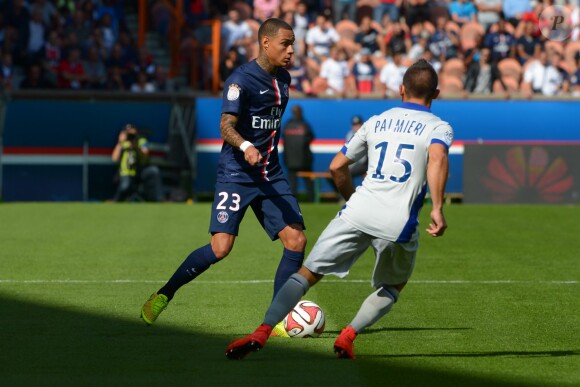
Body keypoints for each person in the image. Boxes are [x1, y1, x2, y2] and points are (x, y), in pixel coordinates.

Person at [225, 59, 454, 360]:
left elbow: (336, 167)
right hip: (397, 221)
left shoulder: (376, 121)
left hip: (357, 210)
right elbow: (436, 158)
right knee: (394, 284)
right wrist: (437, 207)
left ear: (401, 89)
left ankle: (262, 331)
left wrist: (352, 200)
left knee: (307, 273)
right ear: (435, 94)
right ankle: (349, 335)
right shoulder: (439, 127)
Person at [141, 19, 307, 337]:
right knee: (220, 248)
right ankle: (164, 293)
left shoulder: (284, 79)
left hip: (270, 174)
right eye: (285, 43)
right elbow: (225, 126)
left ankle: (275, 320)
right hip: (236, 173)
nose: (291, 50)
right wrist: (246, 146)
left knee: (296, 240)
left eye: (293, 43)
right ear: (266, 43)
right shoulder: (240, 80)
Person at [111, 124, 164, 202]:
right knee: (125, 186)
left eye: (133, 132)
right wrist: (120, 143)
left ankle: (159, 199)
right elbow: (114, 158)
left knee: (154, 171)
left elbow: (145, 154)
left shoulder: (141, 141)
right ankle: (116, 201)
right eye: (128, 133)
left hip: (140, 171)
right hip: (127, 172)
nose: (131, 135)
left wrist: (136, 147)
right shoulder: (123, 143)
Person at [282, 105, 315, 202]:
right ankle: (311, 199)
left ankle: (293, 201)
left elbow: (284, 140)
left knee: (292, 183)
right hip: (304, 159)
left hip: (290, 159)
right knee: (308, 181)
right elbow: (311, 137)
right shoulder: (305, 125)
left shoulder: (287, 125)